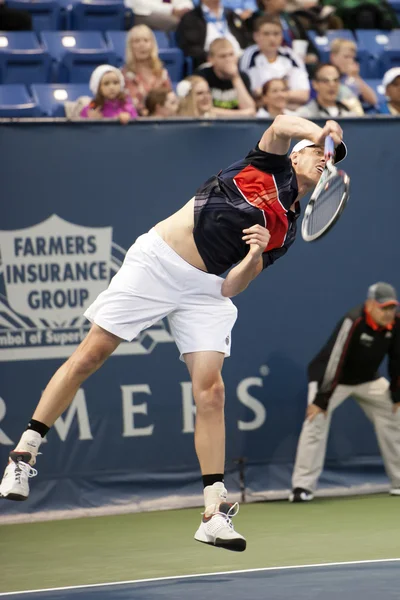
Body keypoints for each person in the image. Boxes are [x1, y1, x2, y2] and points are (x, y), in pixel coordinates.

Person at [0, 114, 346, 553]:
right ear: (296, 154)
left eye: (327, 158)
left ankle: (212, 512)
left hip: (206, 291)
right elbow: (280, 123)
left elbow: (230, 287)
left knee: (212, 393)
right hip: (157, 263)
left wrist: (255, 253)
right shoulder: (267, 162)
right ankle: (24, 454)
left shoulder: (287, 229)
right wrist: (321, 132)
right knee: (90, 355)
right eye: (316, 154)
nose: (323, 160)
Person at [290, 282, 400, 503]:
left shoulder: (395, 324)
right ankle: (302, 487)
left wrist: (397, 395)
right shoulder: (354, 320)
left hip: (367, 379)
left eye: (391, 308)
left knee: (395, 415)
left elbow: (397, 360)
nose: (388, 313)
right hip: (331, 380)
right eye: (383, 308)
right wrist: (321, 400)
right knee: (315, 422)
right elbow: (334, 360)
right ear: (369, 305)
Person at [240, 15, 310, 107]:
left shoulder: (291, 57)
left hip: (291, 112)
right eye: (266, 34)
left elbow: (304, 95)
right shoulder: (249, 56)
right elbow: (252, 94)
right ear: (256, 36)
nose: (272, 39)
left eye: (276, 34)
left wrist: (272, 95)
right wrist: (285, 95)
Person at [176, 0, 249, 69]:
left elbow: (245, 39)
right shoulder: (191, 18)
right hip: (209, 62)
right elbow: (190, 47)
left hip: (240, 58)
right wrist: (212, 57)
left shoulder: (231, 15)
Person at [195, 38, 256, 114]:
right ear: (211, 59)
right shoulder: (202, 76)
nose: (228, 59)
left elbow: (251, 111)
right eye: (223, 56)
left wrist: (235, 77)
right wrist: (240, 114)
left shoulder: (243, 77)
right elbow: (201, 109)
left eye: (231, 55)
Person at [122, 24, 172, 116]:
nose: (142, 45)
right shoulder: (123, 76)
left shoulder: (162, 74)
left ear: (152, 45)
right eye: (137, 41)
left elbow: (170, 101)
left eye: (146, 40)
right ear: (130, 46)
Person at [329, 38, 377, 114]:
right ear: (333, 57)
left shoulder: (352, 78)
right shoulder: (324, 76)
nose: (350, 61)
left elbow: (373, 101)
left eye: (352, 58)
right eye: (346, 57)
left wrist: (356, 76)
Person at [125, 0, 193, 32]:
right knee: (176, 22)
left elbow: (186, 3)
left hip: (170, 12)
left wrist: (183, 9)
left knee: (193, 20)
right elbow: (143, 4)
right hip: (142, 13)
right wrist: (171, 10)